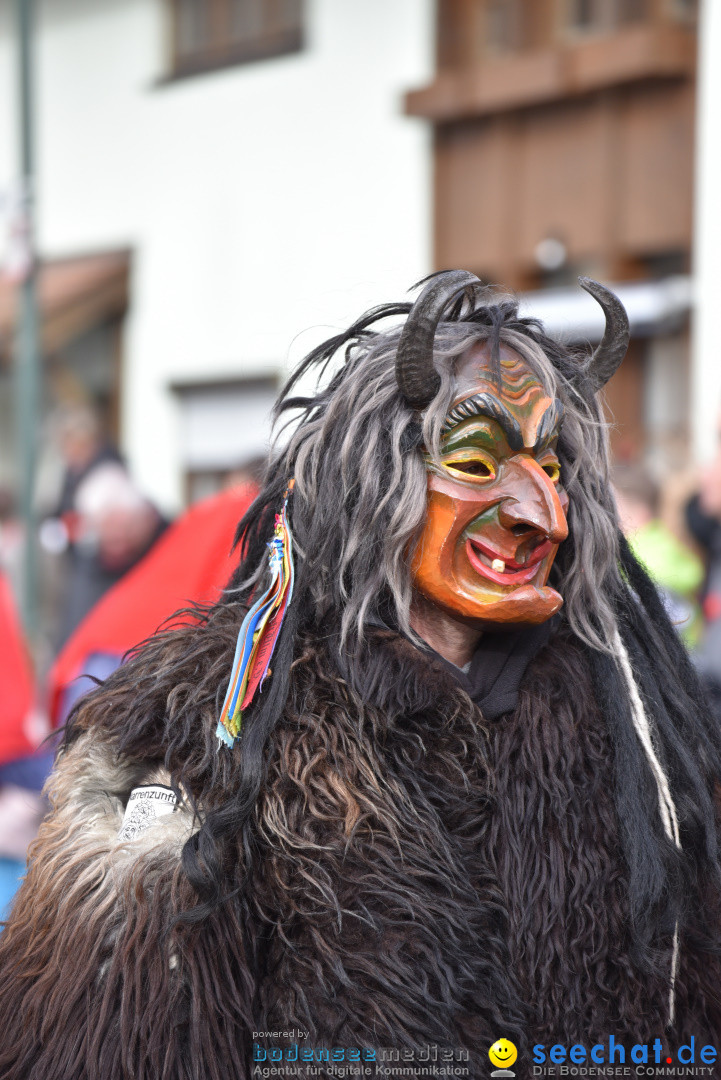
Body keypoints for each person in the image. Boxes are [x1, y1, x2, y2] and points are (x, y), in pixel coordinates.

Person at [0, 273, 720, 1079]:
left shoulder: (645, 748)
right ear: (368, 489)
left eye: (549, 468)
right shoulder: (206, 744)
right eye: (477, 461)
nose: (539, 514)